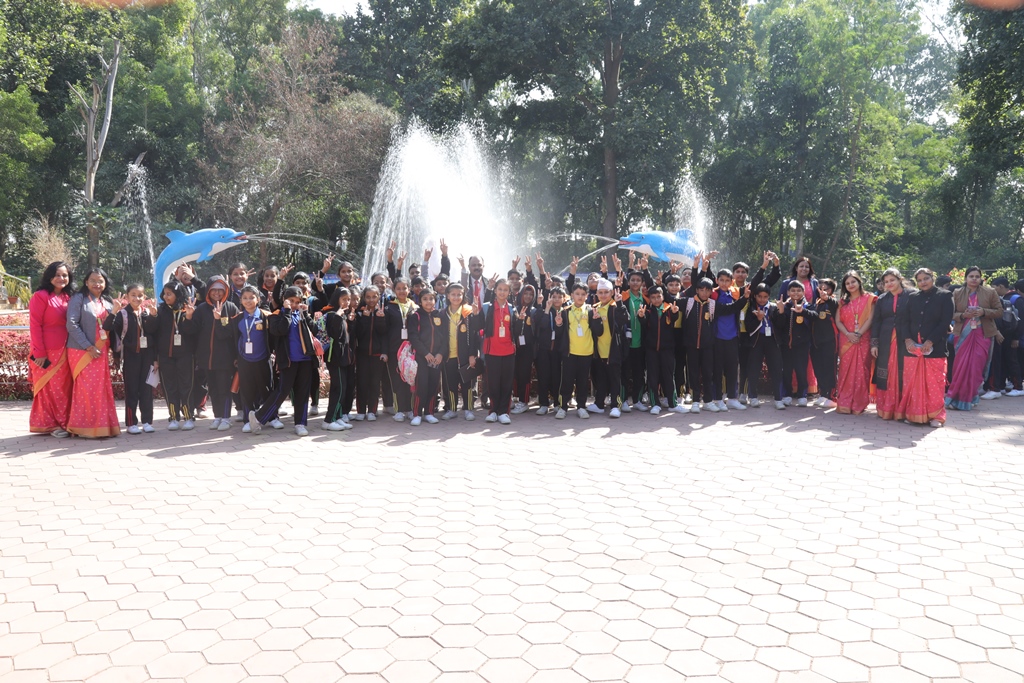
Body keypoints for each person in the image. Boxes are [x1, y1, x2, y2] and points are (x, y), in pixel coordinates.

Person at [249, 286, 317, 436]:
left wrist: (306, 314)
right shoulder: (276, 315)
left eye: (297, 302)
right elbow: (280, 330)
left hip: (306, 359)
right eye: (291, 301)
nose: (294, 304)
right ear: (284, 300)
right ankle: (259, 417)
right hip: (288, 360)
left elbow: (315, 330)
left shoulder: (302, 314)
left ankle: (300, 423)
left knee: (303, 392)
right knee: (282, 391)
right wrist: (286, 311)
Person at [65, 268, 120, 438]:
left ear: (105, 283)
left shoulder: (107, 301)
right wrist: (88, 346)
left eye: (100, 281)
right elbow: (71, 324)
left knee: (101, 389)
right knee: (86, 389)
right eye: (93, 280)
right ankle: (84, 428)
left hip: (101, 350)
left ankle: (103, 426)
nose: (97, 284)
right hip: (81, 350)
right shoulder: (78, 298)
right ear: (86, 282)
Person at [897, 268, 955, 427]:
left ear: (932, 277)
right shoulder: (913, 297)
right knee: (912, 383)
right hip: (912, 348)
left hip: (935, 347)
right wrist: (907, 340)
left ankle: (936, 416)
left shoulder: (945, 296)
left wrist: (930, 341)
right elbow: (904, 320)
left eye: (926, 278)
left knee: (934, 383)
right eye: (920, 280)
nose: (923, 282)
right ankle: (914, 414)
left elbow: (945, 322)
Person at [184, 276, 239, 431]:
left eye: (220, 290)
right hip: (206, 358)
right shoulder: (201, 309)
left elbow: (234, 334)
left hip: (225, 359)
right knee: (213, 389)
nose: (216, 293)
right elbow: (191, 331)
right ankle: (218, 416)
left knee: (224, 389)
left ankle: (226, 418)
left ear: (225, 291)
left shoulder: (231, 308)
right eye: (213, 289)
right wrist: (189, 316)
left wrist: (218, 319)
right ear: (208, 291)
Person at [103, 284, 158, 434]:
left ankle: (147, 421)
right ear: (127, 297)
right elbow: (107, 327)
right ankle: (131, 423)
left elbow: (154, 335)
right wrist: (114, 311)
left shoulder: (147, 312)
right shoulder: (122, 314)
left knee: (146, 390)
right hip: (130, 357)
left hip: (147, 357)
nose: (136, 298)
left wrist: (153, 316)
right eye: (133, 295)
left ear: (144, 297)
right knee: (131, 390)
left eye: (140, 295)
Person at [946, 266, 1002, 411]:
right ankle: (954, 398)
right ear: (966, 278)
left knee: (976, 368)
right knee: (960, 368)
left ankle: (969, 398)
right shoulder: (957, 293)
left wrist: (983, 312)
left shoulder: (990, 292)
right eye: (971, 276)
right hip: (962, 334)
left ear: (981, 278)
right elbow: (949, 313)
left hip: (982, 334)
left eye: (977, 276)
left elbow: (999, 311)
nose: (974, 279)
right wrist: (963, 315)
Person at [29, 261, 74, 437]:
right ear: (49, 277)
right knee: (49, 389)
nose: (61, 278)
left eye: (65, 275)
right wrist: (39, 352)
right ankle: (51, 425)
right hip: (47, 352)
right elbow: (35, 325)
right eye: (57, 275)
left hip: (67, 350)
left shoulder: (69, 297)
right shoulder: (41, 296)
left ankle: (66, 422)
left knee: (64, 389)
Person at [233, 285, 278, 433]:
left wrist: (273, 353)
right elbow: (234, 339)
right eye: (245, 298)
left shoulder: (266, 316)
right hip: (245, 359)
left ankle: (272, 417)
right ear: (241, 300)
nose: (248, 301)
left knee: (267, 389)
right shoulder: (238, 318)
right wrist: (236, 357)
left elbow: (273, 337)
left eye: (251, 297)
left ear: (258, 299)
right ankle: (248, 420)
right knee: (247, 390)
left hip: (263, 358)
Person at [556, 283, 604, 419]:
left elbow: (599, 332)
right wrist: (559, 324)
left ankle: (581, 406)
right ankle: (563, 407)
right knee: (566, 381)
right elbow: (559, 334)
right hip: (569, 353)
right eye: (577, 294)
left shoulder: (591, 310)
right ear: (571, 295)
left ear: (587, 296)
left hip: (586, 352)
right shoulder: (565, 311)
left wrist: (597, 320)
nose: (580, 297)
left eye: (583, 294)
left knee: (583, 382)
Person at [871, 268, 912, 420]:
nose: (889, 284)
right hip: (885, 340)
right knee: (885, 371)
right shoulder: (882, 299)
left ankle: (904, 409)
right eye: (886, 282)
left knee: (904, 373)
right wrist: (874, 344)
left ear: (900, 279)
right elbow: (876, 322)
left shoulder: (912, 295)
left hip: (906, 340)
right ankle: (886, 408)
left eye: (892, 280)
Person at [476, 279, 519, 424]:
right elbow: (478, 325)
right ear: (495, 291)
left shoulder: (512, 309)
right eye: (500, 289)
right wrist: (475, 314)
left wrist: (520, 320)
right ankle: (493, 411)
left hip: (508, 351)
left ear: (509, 292)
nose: (502, 292)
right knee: (493, 383)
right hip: (491, 351)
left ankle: (503, 412)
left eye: (505, 290)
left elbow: (516, 331)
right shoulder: (487, 307)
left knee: (506, 383)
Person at [636, 285, 682, 415]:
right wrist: (641, 316)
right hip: (651, 350)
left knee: (669, 376)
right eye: (653, 297)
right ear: (650, 299)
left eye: (658, 297)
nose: (656, 300)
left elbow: (674, 319)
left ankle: (673, 404)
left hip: (667, 349)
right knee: (652, 377)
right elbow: (643, 322)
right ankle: (655, 404)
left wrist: (675, 313)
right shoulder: (648, 312)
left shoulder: (669, 310)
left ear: (663, 297)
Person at [835, 271, 876, 415]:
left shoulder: (869, 299)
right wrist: (849, 334)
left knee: (862, 372)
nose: (851, 285)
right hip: (847, 340)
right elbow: (838, 321)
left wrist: (858, 334)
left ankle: (859, 403)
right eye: (847, 283)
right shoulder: (842, 302)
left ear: (859, 282)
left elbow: (870, 318)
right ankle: (844, 403)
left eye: (853, 282)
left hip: (863, 339)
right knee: (845, 371)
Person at [781, 256, 820, 399]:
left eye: (807, 266)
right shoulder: (787, 284)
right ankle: (787, 393)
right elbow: (780, 306)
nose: (804, 269)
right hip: (787, 336)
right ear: (796, 268)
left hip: (805, 332)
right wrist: (781, 311)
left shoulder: (814, 283)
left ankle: (803, 393)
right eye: (801, 266)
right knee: (787, 368)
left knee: (802, 366)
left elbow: (816, 309)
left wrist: (803, 311)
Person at [743, 283, 785, 409]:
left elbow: (781, 325)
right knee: (754, 369)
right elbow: (748, 327)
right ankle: (753, 397)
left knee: (776, 369)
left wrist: (781, 311)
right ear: (755, 296)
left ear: (769, 297)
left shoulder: (774, 307)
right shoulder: (751, 309)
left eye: (765, 297)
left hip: (772, 340)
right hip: (757, 341)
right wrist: (758, 319)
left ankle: (778, 398)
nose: (762, 299)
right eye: (759, 296)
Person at [439, 283, 477, 421]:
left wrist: (472, 354)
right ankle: (452, 409)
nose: (456, 297)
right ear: (448, 296)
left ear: (463, 295)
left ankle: (468, 409)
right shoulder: (442, 314)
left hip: (464, 355)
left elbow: (474, 336)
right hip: (448, 356)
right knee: (450, 384)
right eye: (453, 294)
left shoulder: (468, 313)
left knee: (467, 384)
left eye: (459, 294)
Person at [353, 285, 389, 421]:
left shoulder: (383, 312)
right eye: (368, 297)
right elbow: (359, 334)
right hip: (362, 354)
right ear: (364, 297)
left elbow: (384, 334)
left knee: (375, 383)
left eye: (374, 296)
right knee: (361, 383)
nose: (371, 300)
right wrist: (365, 318)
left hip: (377, 355)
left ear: (379, 297)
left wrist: (384, 352)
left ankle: (372, 411)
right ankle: (361, 410)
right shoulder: (359, 313)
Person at [409, 290, 445, 426]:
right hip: (422, 357)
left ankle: (429, 413)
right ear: (420, 301)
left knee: (433, 385)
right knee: (421, 385)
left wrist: (440, 354)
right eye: (425, 299)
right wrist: (425, 353)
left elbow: (445, 337)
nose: (428, 301)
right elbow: (413, 337)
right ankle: (417, 414)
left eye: (431, 298)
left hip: (436, 358)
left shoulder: (440, 315)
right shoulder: (416, 316)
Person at [321, 287, 355, 431]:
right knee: (338, 388)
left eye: (348, 299)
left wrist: (349, 320)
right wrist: (338, 317)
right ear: (337, 299)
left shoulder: (343, 314)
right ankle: (328, 420)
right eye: (343, 299)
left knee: (343, 388)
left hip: (343, 358)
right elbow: (335, 335)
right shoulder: (332, 315)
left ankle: (338, 416)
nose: (347, 302)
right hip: (334, 358)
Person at [384, 278, 417, 422]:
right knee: (396, 379)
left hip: (411, 349)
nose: (402, 291)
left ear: (409, 289)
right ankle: (398, 410)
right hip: (395, 349)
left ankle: (410, 409)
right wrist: (385, 351)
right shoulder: (389, 308)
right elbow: (384, 331)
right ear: (394, 290)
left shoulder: (415, 307)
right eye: (398, 288)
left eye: (405, 288)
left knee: (411, 379)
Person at [535, 287, 567, 415]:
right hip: (544, 349)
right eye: (554, 297)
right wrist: (547, 309)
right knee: (543, 376)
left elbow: (562, 332)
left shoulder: (566, 312)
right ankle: (544, 403)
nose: (557, 299)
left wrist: (559, 324)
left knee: (557, 376)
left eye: (559, 297)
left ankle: (557, 402)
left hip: (558, 350)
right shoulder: (546, 310)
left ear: (564, 298)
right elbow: (542, 326)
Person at [989, 276, 1023, 397]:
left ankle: (1018, 386)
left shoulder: (1014, 299)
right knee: (1003, 361)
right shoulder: (1005, 298)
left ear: (1000, 287)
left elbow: (1020, 321)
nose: (992, 290)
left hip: (1010, 336)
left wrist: (1015, 338)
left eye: (993, 287)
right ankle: (1002, 385)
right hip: (1005, 336)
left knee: (1012, 361)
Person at [810, 279, 839, 409]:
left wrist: (827, 298)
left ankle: (832, 396)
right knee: (818, 368)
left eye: (825, 289)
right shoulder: (816, 303)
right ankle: (822, 394)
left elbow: (834, 306)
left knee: (829, 369)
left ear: (831, 290)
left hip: (830, 342)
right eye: (820, 288)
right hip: (816, 342)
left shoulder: (833, 302)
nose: (822, 291)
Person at [511, 285, 539, 414]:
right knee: (514, 374)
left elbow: (537, 331)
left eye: (531, 294)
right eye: (526, 294)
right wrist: (519, 320)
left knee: (524, 375)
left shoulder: (534, 311)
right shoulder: (514, 310)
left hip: (528, 349)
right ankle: (516, 398)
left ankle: (524, 401)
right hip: (515, 347)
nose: (528, 297)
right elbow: (513, 330)